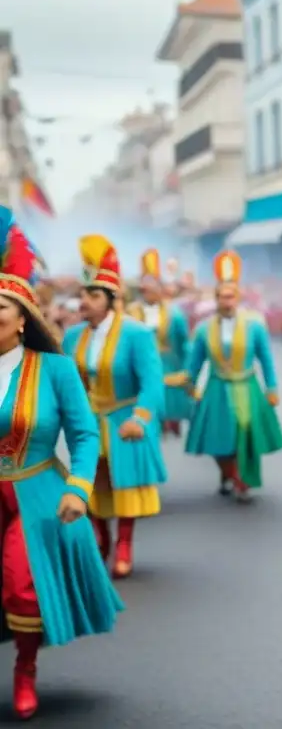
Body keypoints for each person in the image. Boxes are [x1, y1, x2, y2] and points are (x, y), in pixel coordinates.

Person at [0, 213, 122, 719]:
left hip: (36, 494)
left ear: (23, 317)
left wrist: (78, 487)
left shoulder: (54, 369)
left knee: (21, 584)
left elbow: (85, 435)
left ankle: (25, 670)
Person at [63, 235, 168, 580]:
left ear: (111, 299)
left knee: (124, 484)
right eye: (83, 294)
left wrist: (141, 418)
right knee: (91, 483)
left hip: (124, 420)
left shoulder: (136, 334)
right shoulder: (72, 336)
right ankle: (101, 538)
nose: (85, 301)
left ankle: (124, 544)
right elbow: (67, 383)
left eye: (94, 295)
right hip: (89, 422)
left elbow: (152, 383)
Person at [184, 250, 282, 501]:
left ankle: (242, 481)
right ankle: (226, 473)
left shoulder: (255, 325)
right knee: (218, 436)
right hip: (217, 386)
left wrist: (272, 388)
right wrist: (190, 384)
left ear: (238, 298)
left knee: (246, 433)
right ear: (215, 298)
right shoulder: (204, 328)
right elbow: (195, 361)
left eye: (230, 296)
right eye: (221, 296)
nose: (225, 301)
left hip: (247, 385)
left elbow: (266, 358)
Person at [125, 248, 193, 437]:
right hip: (139, 364)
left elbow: (184, 344)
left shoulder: (174, 313)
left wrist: (187, 371)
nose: (147, 290)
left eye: (152, 285)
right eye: (144, 286)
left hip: (167, 365)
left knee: (168, 407)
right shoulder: (130, 312)